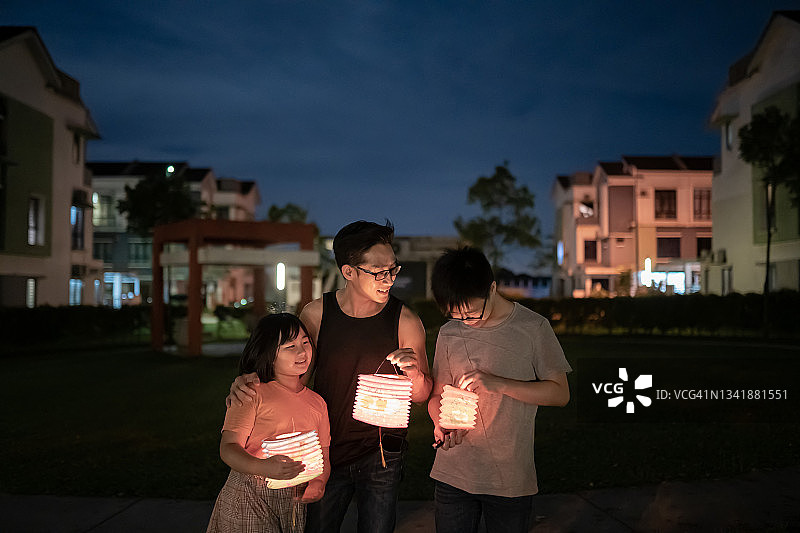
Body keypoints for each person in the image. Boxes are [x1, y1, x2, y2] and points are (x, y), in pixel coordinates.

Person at [227, 220, 433, 533]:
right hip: (324, 449)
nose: (389, 279)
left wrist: (416, 375)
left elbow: (421, 394)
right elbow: (293, 374)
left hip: (380, 453)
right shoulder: (317, 314)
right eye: (378, 271)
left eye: (393, 269)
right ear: (349, 271)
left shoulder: (404, 320)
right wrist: (252, 381)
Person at [427, 247, 571, 533]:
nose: (466, 322)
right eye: (456, 315)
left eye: (471, 312)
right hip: (453, 474)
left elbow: (560, 394)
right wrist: (440, 422)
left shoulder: (532, 328)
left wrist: (500, 383)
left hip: (509, 479)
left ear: (492, 288)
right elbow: (436, 397)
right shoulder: (449, 333)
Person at [208, 313, 331, 533]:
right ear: (269, 354)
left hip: (294, 498)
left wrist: (319, 482)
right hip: (250, 495)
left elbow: (323, 452)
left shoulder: (317, 403)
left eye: (305, 342)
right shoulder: (250, 394)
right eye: (289, 346)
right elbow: (228, 448)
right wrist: (264, 467)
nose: (302, 351)